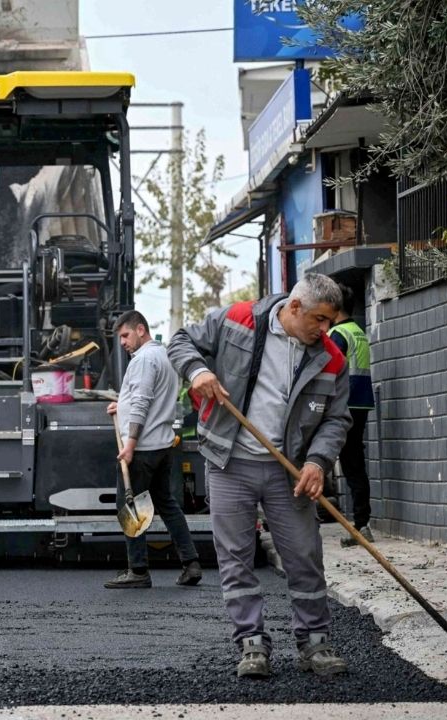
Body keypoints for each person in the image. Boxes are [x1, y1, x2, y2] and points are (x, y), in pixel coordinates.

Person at [167, 273, 352, 679]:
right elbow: (180, 341)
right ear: (295, 307)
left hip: (291, 471)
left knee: (304, 555)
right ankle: (251, 644)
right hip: (230, 462)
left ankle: (315, 643)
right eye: (319, 320)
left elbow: (337, 419)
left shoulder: (331, 358)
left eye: (330, 322)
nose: (325, 330)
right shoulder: (237, 320)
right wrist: (197, 371)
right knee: (236, 557)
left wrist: (317, 462)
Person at [103, 311, 202, 589]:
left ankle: (138, 570)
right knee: (167, 504)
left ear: (141, 330)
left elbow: (143, 402)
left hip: (142, 448)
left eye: (125, 335)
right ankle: (191, 562)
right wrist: (120, 405)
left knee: (128, 505)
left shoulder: (144, 360)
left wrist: (130, 445)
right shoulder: (164, 355)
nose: (122, 342)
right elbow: (145, 398)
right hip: (162, 445)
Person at [328, 285, 375, 547]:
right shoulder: (359, 332)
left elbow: (329, 370)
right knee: (355, 463)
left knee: (347, 463)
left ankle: (358, 524)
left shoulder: (337, 334)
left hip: (343, 406)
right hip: (361, 404)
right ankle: (362, 522)